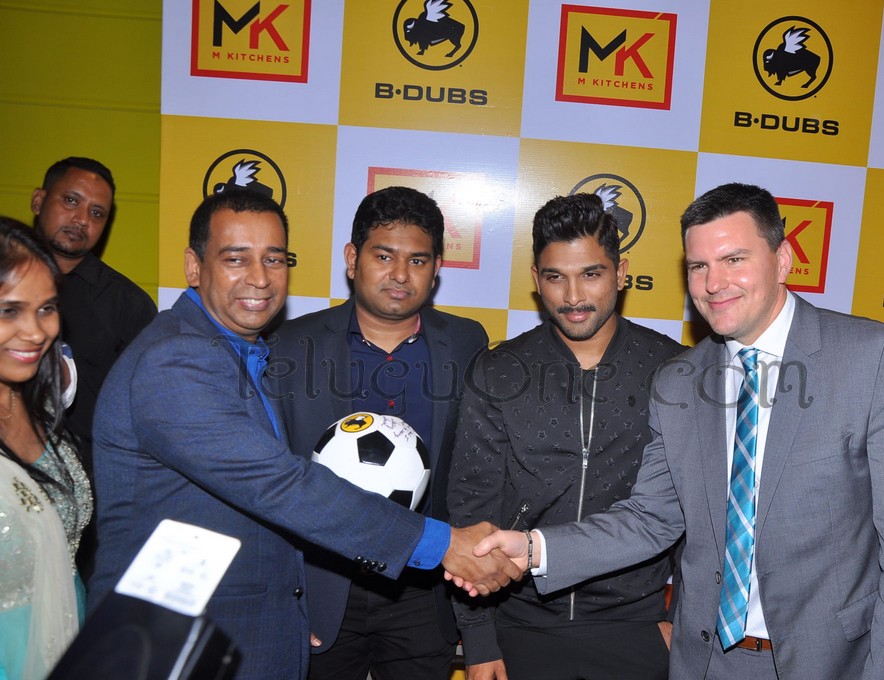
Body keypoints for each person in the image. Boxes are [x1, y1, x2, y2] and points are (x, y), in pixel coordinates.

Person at [469, 183, 884, 680]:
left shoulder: (876, 358)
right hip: (705, 661)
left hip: (831, 661)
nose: (714, 283)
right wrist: (534, 549)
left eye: (734, 260)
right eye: (699, 266)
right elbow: (651, 518)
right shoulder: (678, 380)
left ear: (783, 260)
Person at [87, 190, 519, 680]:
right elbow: (282, 485)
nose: (259, 277)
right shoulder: (177, 360)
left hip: (237, 625)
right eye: (236, 258)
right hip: (170, 633)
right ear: (193, 266)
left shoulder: (241, 354)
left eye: (274, 259)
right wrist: (442, 545)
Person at [447, 193, 683, 680]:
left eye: (591, 274)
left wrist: (680, 621)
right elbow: (471, 508)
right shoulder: (498, 370)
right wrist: (479, 640)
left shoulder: (672, 369)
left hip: (638, 628)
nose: (573, 296)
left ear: (621, 273)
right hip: (518, 628)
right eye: (556, 277)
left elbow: (700, 513)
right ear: (537, 280)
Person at [269, 186, 489, 680]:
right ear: (353, 259)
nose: (400, 274)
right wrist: (284, 599)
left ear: (436, 269)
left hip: (423, 592)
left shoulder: (466, 341)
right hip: (324, 589)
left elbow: (474, 474)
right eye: (384, 256)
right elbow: (270, 482)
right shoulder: (290, 345)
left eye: (417, 260)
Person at [0, 217, 93, 680]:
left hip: (71, 645)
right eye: (9, 311)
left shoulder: (41, 401)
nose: (36, 332)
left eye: (46, 308)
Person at [30, 157, 157, 474]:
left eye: (97, 213)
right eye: (71, 200)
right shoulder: (6, 279)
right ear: (38, 200)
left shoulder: (128, 305)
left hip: (89, 482)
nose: (82, 219)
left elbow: (146, 414)